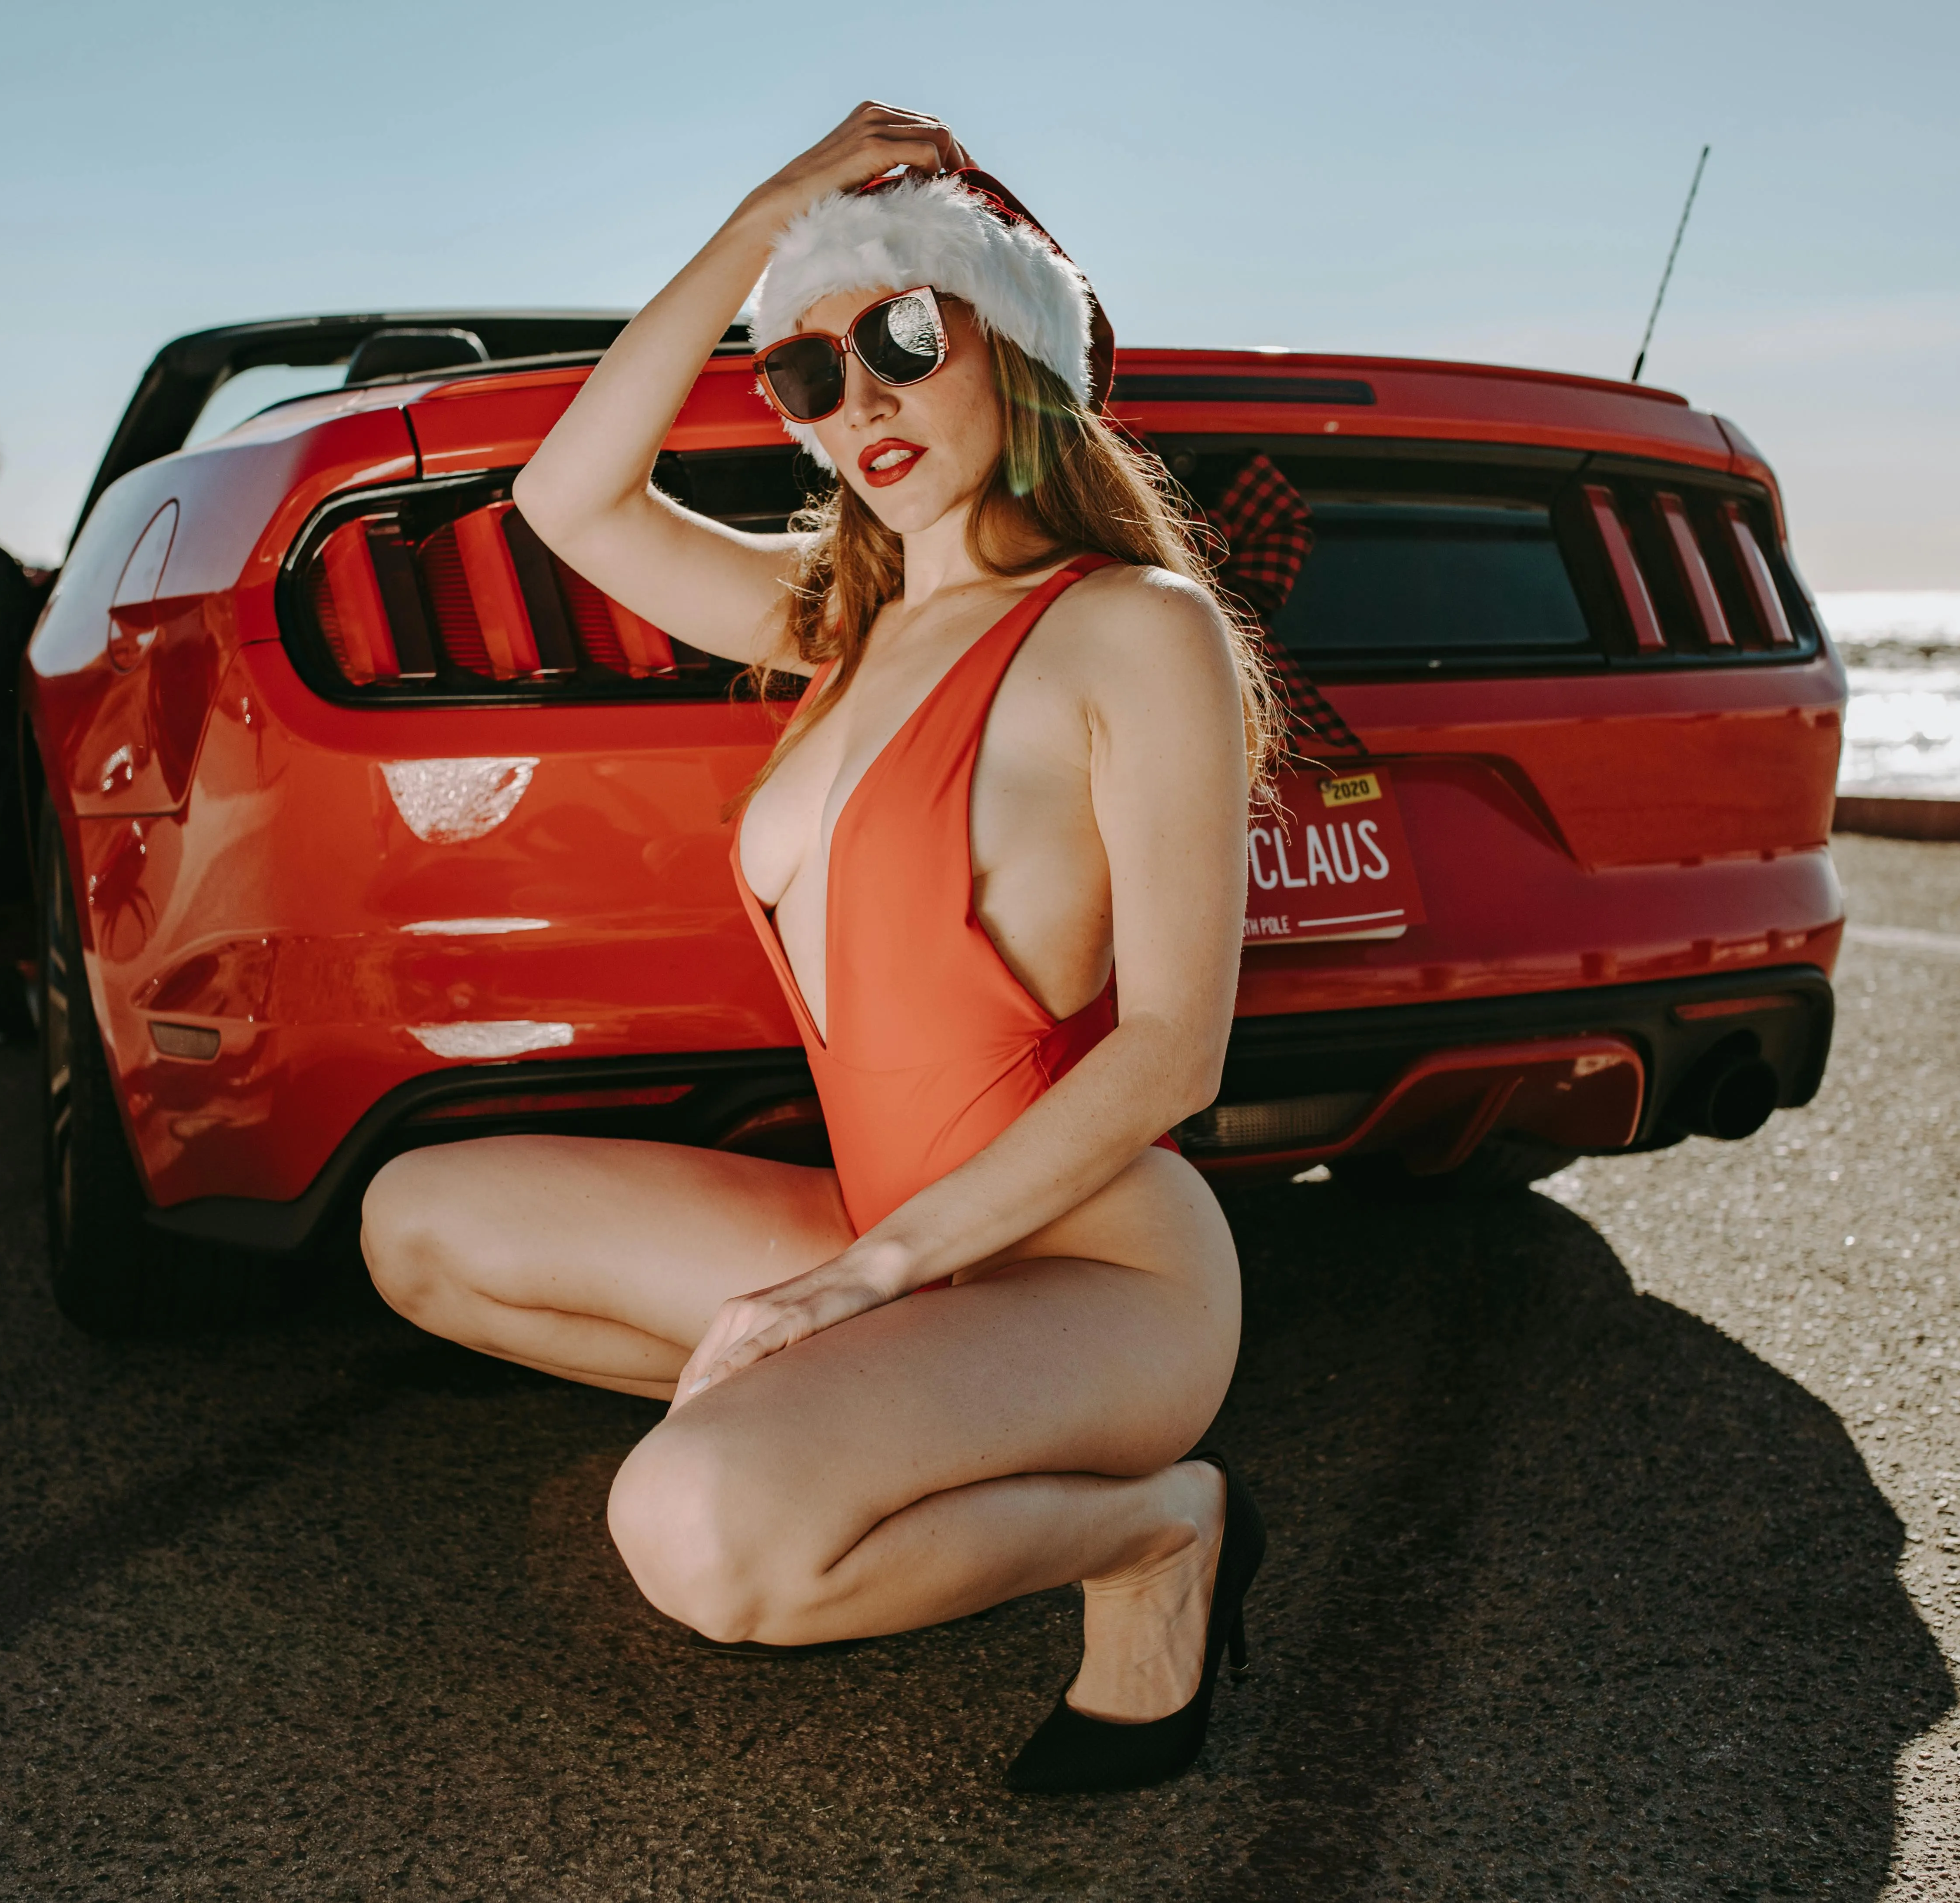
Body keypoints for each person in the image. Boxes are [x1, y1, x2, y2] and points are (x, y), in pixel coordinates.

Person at [359, 102, 1280, 1793]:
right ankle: (847, 1433)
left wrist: (859, 1282)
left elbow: (1176, 1050)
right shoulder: (838, 623)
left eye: (901, 341)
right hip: (885, 1231)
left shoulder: (1129, 628)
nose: (859, 404)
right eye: (804, 375)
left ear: (1011, 351)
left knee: (702, 1536)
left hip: (1098, 1275)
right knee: (421, 1228)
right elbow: (573, 493)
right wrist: (771, 213)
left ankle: (1153, 1530)